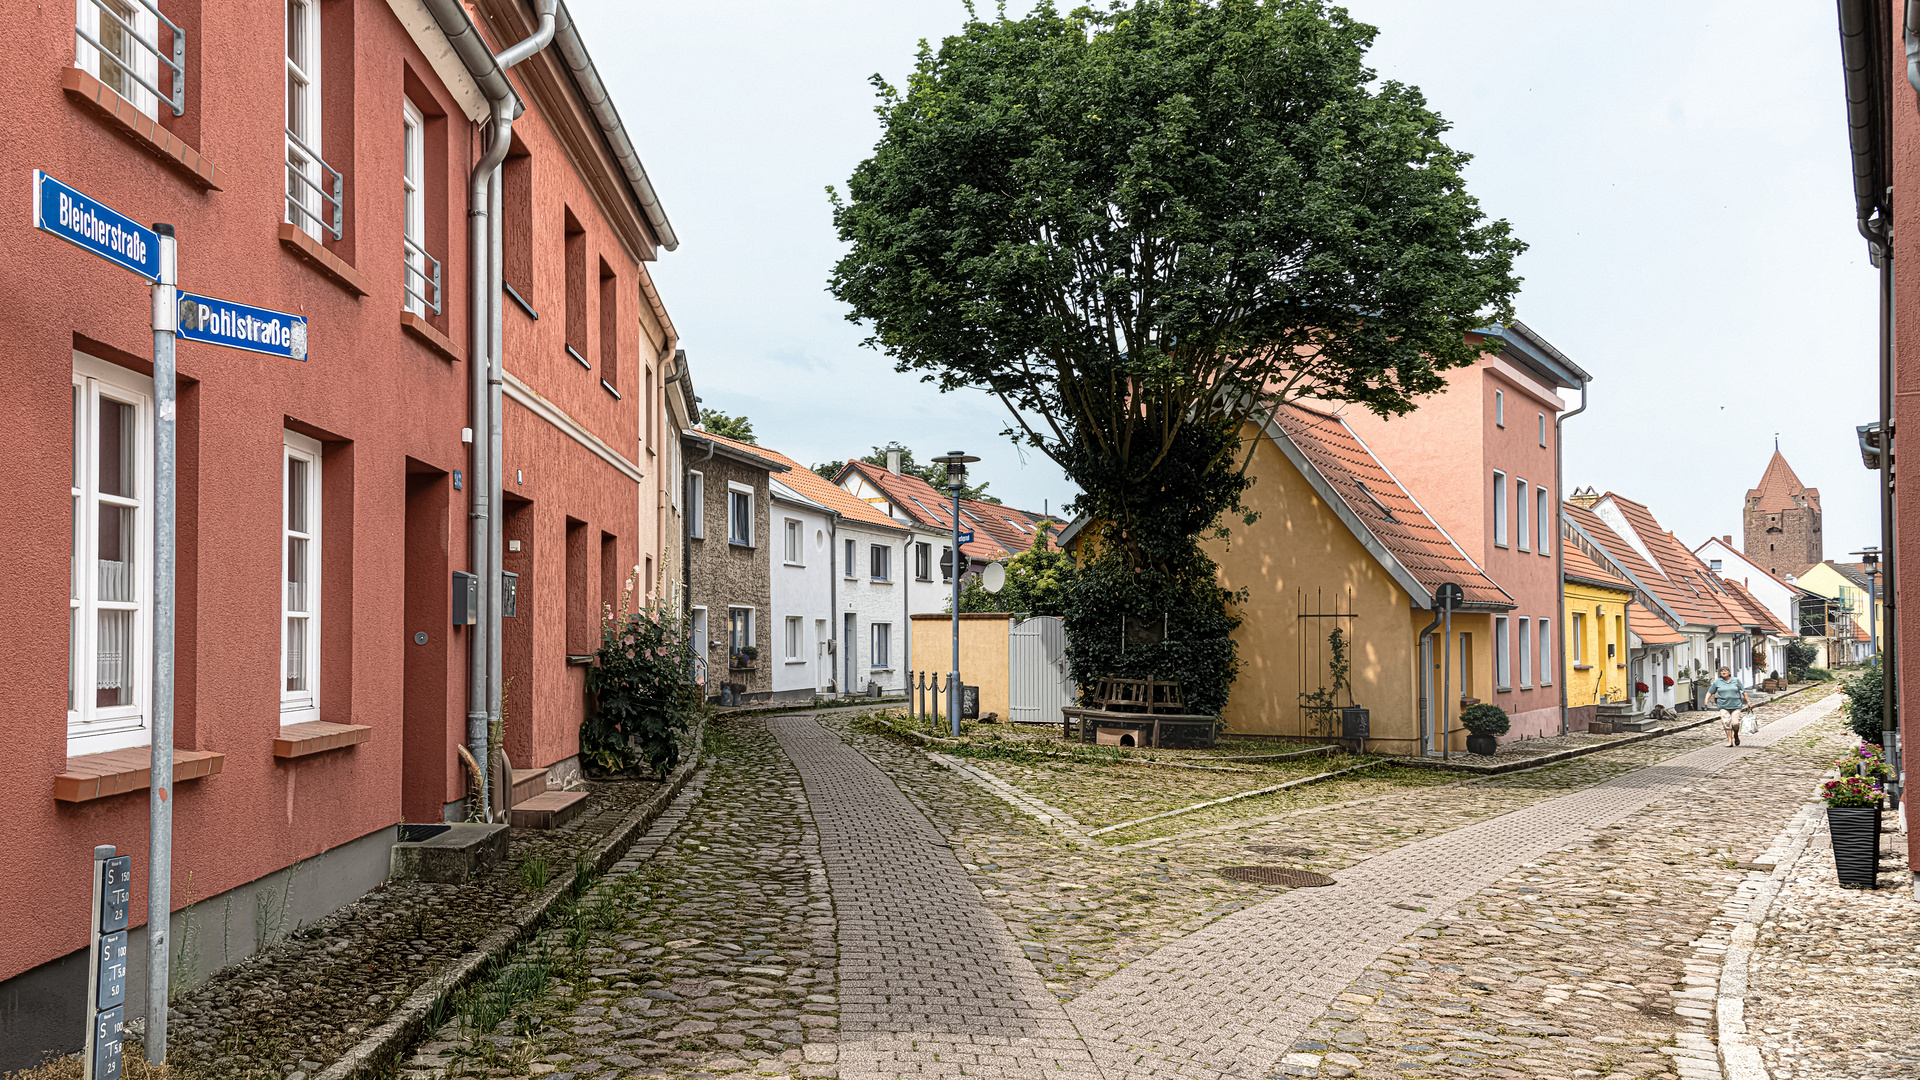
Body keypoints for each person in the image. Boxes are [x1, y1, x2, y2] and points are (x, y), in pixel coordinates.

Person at [1708, 666, 1752, 746]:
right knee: (1726, 722)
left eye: (1725, 671)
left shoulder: (1736, 680)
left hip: (1736, 705)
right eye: (1721, 671)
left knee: (1735, 723)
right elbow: (1710, 692)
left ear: (1729, 672)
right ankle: (1730, 741)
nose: (1723, 672)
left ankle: (1736, 735)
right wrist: (1706, 700)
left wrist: (1749, 702)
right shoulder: (1717, 682)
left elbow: (1743, 692)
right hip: (1723, 705)